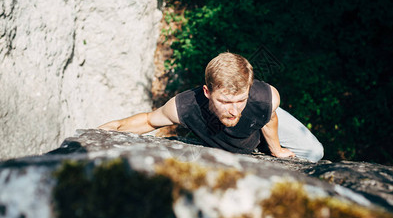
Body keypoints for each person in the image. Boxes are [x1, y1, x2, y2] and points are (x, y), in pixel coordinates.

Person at [98, 52, 323, 162]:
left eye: (240, 100)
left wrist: (276, 150)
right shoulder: (186, 106)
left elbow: (270, 117)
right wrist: (103, 134)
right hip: (239, 138)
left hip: (260, 121)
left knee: (315, 152)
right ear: (207, 92)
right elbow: (148, 121)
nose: (234, 110)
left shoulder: (266, 98)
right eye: (225, 102)